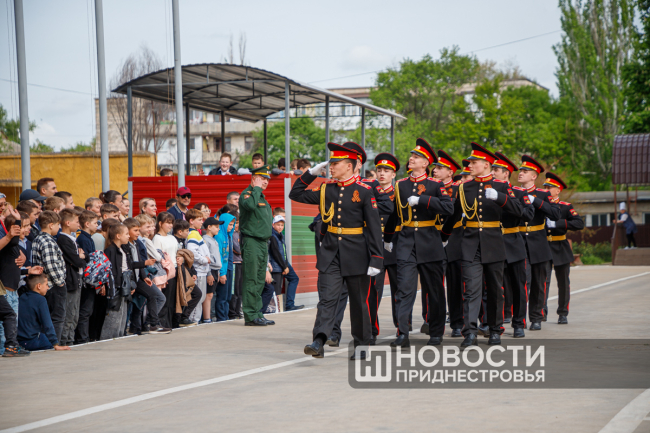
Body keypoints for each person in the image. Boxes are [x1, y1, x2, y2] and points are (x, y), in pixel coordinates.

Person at [289, 142, 383, 359]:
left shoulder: (364, 191)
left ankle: (361, 346)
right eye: (330, 163)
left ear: (349, 166)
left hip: (357, 254)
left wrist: (376, 258)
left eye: (335, 163)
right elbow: (296, 194)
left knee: (359, 303)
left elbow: (374, 227)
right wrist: (311, 173)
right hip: (331, 253)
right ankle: (319, 340)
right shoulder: (326, 189)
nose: (330, 167)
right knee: (327, 299)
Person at [440, 143, 523, 347]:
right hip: (470, 243)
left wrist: (500, 198)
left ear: (486, 164)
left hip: (493, 243)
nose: (469, 165)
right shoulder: (464, 187)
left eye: (474, 162)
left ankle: (495, 330)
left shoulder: (501, 187)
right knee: (471, 290)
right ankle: (469, 333)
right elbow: (454, 213)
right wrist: (444, 235)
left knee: (495, 289)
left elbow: (519, 210)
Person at [382, 139, 453, 348]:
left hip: (429, 241)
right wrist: (388, 238)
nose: (411, 159)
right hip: (406, 242)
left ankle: (436, 332)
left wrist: (423, 200)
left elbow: (448, 208)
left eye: (416, 157)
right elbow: (396, 213)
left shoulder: (435, 185)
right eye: (412, 156)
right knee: (404, 290)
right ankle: (402, 333)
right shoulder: (401, 184)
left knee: (434, 290)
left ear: (425, 163)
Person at [492, 152, 534, 337]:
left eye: (496, 170)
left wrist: (505, 200)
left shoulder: (519, 192)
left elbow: (528, 214)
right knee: (494, 287)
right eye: (492, 169)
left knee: (518, 286)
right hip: (493, 243)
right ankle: (494, 324)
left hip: (513, 242)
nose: (493, 172)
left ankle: (518, 323)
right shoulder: (486, 191)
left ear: (506, 173)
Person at [517, 155, 561, 331]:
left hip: (538, 242)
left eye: (525, 171)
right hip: (519, 241)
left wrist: (535, 201)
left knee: (538, 283)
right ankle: (519, 319)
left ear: (534, 176)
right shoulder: (514, 192)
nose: (520, 173)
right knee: (521, 283)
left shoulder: (543, 194)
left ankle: (536, 317)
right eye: (520, 170)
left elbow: (555, 214)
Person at [543, 172, 584, 325]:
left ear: (558, 190)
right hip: (544, 246)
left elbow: (579, 223)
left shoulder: (565, 207)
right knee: (542, 282)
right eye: (545, 187)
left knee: (563, 283)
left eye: (549, 187)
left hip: (560, 246)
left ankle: (563, 313)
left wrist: (559, 223)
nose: (546, 190)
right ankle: (541, 312)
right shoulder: (542, 205)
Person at [431, 149, 464, 337]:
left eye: (440, 168)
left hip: (454, 238)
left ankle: (457, 322)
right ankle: (432, 319)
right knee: (433, 282)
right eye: (435, 167)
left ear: (450, 172)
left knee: (455, 283)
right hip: (433, 236)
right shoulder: (429, 186)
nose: (435, 170)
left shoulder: (459, 189)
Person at [239, 165, 275, 327]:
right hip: (252, 241)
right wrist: (256, 189)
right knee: (252, 279)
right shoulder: (247, 195)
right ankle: (251, 315)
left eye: (267, 179)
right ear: (254, 179)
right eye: (263, 179)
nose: (266, 182)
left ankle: (258, 312)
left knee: (260, 280)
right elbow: (249, 206)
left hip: (262, 242)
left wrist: (258, 190)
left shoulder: (260, 197)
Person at [122, 218, 170, 334]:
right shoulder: (125, 246)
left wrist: (144, 277)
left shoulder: (136, 243)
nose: (138, 233)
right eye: (135, 230)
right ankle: (148, 324)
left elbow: (138, 262)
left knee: (153, 296)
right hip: (131, 279)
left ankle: (150, 324)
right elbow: (130, 264)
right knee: (140, 301)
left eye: (138, 230)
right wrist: (145, 263)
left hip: (139, 278)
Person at [372, 152, 401, 335]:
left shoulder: (399, 193)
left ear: (393, 174)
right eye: (379, 170)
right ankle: (372, 330)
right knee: (374, 291)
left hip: (396, 246)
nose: (382, 173)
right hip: (376, 247)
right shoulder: (369, 192)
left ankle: (401, 329)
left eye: (386, 170)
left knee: (399, 290)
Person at [31, 211, 67, 343]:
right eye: (58, 225)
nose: (59, 228)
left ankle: (47, 342)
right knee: (57, 317)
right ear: (51, 225)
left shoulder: (37, 239)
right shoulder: (47, 241)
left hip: (44, 285)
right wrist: (60, 282)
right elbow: (50, 265)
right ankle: (54, 343)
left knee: (47, 317)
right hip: (52, 285)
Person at [57, 209, 87, 347]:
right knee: (69, 312)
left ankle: (70, 338)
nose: (79, 224)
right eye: (76, 221)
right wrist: (80, 257)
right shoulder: (63, 239)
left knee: (75, 313)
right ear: (68, 223)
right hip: (71, 280)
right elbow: (77, 260)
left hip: (77, 278)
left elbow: (85, 257)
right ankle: (64, 340)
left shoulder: (72, 239)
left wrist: (82, 257)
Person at [17, 274, 71, 351]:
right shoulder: (40, 300)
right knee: (47, 342)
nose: (48, 287)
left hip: (19, 341)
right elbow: (47, 323)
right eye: (46, 284)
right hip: (32, 341)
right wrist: (55, 344)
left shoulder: (22, 297)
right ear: (39, 286)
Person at [101, 223, 132, 339]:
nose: (129, 236)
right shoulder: (110, 250)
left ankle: (119, 336)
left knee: (122, 315)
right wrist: (112, 285)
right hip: (116, 287)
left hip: (123, 284)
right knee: (114, 316)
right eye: (126, 234)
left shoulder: (122, 249)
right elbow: (110, 270)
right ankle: (108, 338)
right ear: (118, 236)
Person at [74, 210, 99, 344]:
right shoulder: (83, 239)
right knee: (85, 310)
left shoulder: (89, 238)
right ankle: (82, 338)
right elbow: (87, 258)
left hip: (90, 278)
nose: (97, 225)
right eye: (95, 223)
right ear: (87, 224)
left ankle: (85, 336)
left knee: (89, 310)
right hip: (86, 279)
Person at [268, 215, 301, 313]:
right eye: (278, 225)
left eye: (282, 225)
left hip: (282, 265)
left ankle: (288, 305)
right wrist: (284, 266)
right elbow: (276, 253)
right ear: (273, 225)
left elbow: (284, 253)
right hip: (276, 267)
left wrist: (285, 265)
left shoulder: (280, 235)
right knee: (276, 290)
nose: (280, 227)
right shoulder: (272, 236)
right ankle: (275, 310)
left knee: (294, 279)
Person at [153, 212, 179, 328]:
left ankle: (170, 323)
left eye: (171, 223)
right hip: (165, 271)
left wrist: (180, 257)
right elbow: (157, 256)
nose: (170, 225)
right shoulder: (157, 238)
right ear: (160, 223)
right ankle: (162, 323)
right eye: (168, 223)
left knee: (171, 299)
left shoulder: (172, 237)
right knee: (165, 298)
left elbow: (177, 251)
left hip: (175, 269)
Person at [186, 209, 211, 323]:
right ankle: (193, 320)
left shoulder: (196, 233)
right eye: (199, 219)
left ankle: (195, 320)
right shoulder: (192, 234)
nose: (202, 222)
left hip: (202, 270)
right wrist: (204, 260)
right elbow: (192, 253)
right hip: (198, 270)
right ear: (191, 221)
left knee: (201, 297)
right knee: (198, 298)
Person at [215, 212, 236, 321]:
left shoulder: (229, 236)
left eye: (233, 225)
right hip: (223, 270)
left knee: (228, 296)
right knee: (222, 296)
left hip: (229, 269)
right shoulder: (219, 236)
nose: (231, 227)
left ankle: (226, 316)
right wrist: (222, 273)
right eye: (229, 224)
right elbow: (219, 256)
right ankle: (221, 318)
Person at [202, 217, 223, 322]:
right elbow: (206, 258)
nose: (218, 229)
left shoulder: (213, 239)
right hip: (210, 270)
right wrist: (209, 273)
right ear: (209, 227)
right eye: (216, 227)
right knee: (208, 294)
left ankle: (208, 316)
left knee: (211, 294)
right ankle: (206, 318)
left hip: (215, 270)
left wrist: (218, 272)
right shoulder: (205, 240)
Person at [228, 218, 244, 319]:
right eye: (235, 223)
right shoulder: (232, 235)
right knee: (234, 290)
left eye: (238, 223)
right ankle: (232, 313)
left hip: (240, 263)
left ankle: (238, 312)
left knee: (240, 290)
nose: (237, 225)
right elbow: (238, 249)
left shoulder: (239, 234)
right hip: (234, 263)